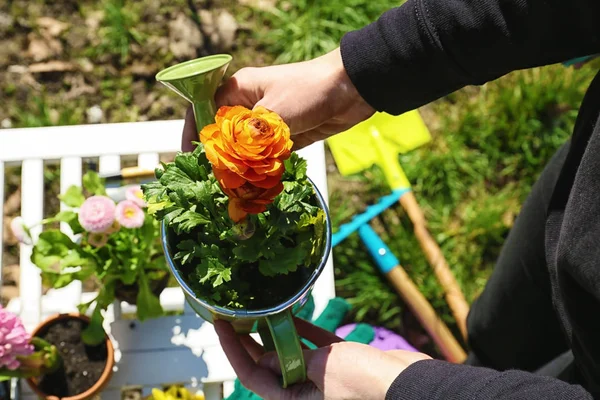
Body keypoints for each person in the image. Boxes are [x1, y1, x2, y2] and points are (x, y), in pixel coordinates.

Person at [181, 0, 600, 398]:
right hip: (579, 195)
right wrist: (353, 74)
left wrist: (407, 389)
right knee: (496, 330)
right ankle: (480, 359)